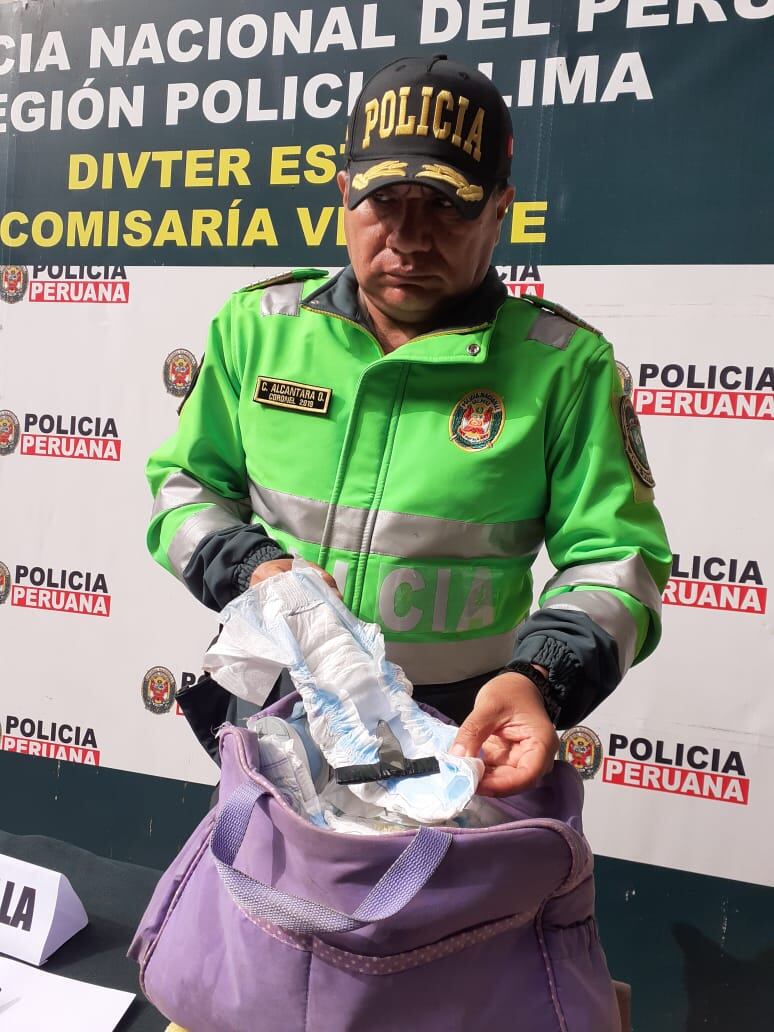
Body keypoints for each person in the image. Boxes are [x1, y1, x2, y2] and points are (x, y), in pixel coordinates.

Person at [146, 54, 671, 797]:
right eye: (384, 200)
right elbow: (184, 488)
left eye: (448, 205)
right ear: (343, 197)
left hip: (463, 733)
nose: (409, 236)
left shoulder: (562, 364)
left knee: (445, 917)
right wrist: (254, 570)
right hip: (278, 712)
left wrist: (539, 678)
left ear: (501, 209)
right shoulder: (259, 327)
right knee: (258, 906)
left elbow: (619, 561)